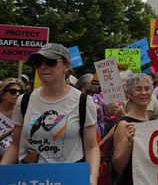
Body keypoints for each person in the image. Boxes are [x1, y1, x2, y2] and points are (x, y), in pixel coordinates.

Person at [1, 43, 99, 185]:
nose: (43, 67)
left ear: (66, 66)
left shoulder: (83, 102)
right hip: (30, 178)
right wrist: (2, 173)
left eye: (50, 62)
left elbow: (91, 147)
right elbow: (15, 145)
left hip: (69, 179)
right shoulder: (24, 101)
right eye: (38, 62)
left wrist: (92, 177)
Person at [111, 73, 154, 185]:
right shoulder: (124, 124)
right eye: (138, 89)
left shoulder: (150, 120)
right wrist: (129, 143)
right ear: (130, 94)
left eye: (147, 89)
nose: (144, 93)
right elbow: (117, 166)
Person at [0, 78, 25, 159]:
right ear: (2, 94)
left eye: (20, 92)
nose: (17, 94)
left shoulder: (23, 114)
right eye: (13, 91)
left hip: (11, 161)